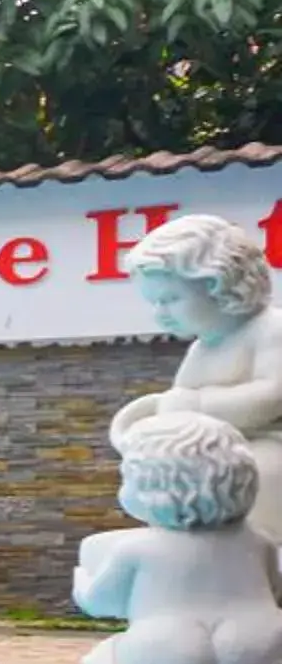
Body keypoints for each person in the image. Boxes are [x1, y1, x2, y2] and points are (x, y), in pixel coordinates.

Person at [73, 412, 282, 664]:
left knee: (98, 663)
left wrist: (82, 581)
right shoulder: (260, 542)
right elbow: (275, 590)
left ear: (149, 486)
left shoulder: (139, 547)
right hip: (258, 645)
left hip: (166, 649)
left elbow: (101, 603)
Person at [111, 214, 282, 544]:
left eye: (170, 299)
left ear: (222, 286)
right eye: (154, 302)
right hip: (218, 454)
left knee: (258, 474)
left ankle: (260, 552)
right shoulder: (202, 349)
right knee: (174, 482)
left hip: (269, 444)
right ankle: (193, 550)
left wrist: (196, 405)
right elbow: (180, 401)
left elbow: (273, 393)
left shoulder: (271, 330)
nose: (160, 312)